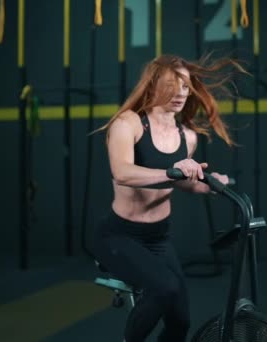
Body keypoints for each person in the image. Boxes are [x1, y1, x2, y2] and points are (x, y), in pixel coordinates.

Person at [93, 54, 246, 342]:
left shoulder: (187, 136)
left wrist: (211, 185)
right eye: (171, 85)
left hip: (158, 238)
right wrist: (173, 170)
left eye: (186, 86)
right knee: (164, 288)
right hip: (119, 236)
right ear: (152, 86)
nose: (180, 93)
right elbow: (122, 173)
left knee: (180, 322)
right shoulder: (128, 124)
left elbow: (183, 184)